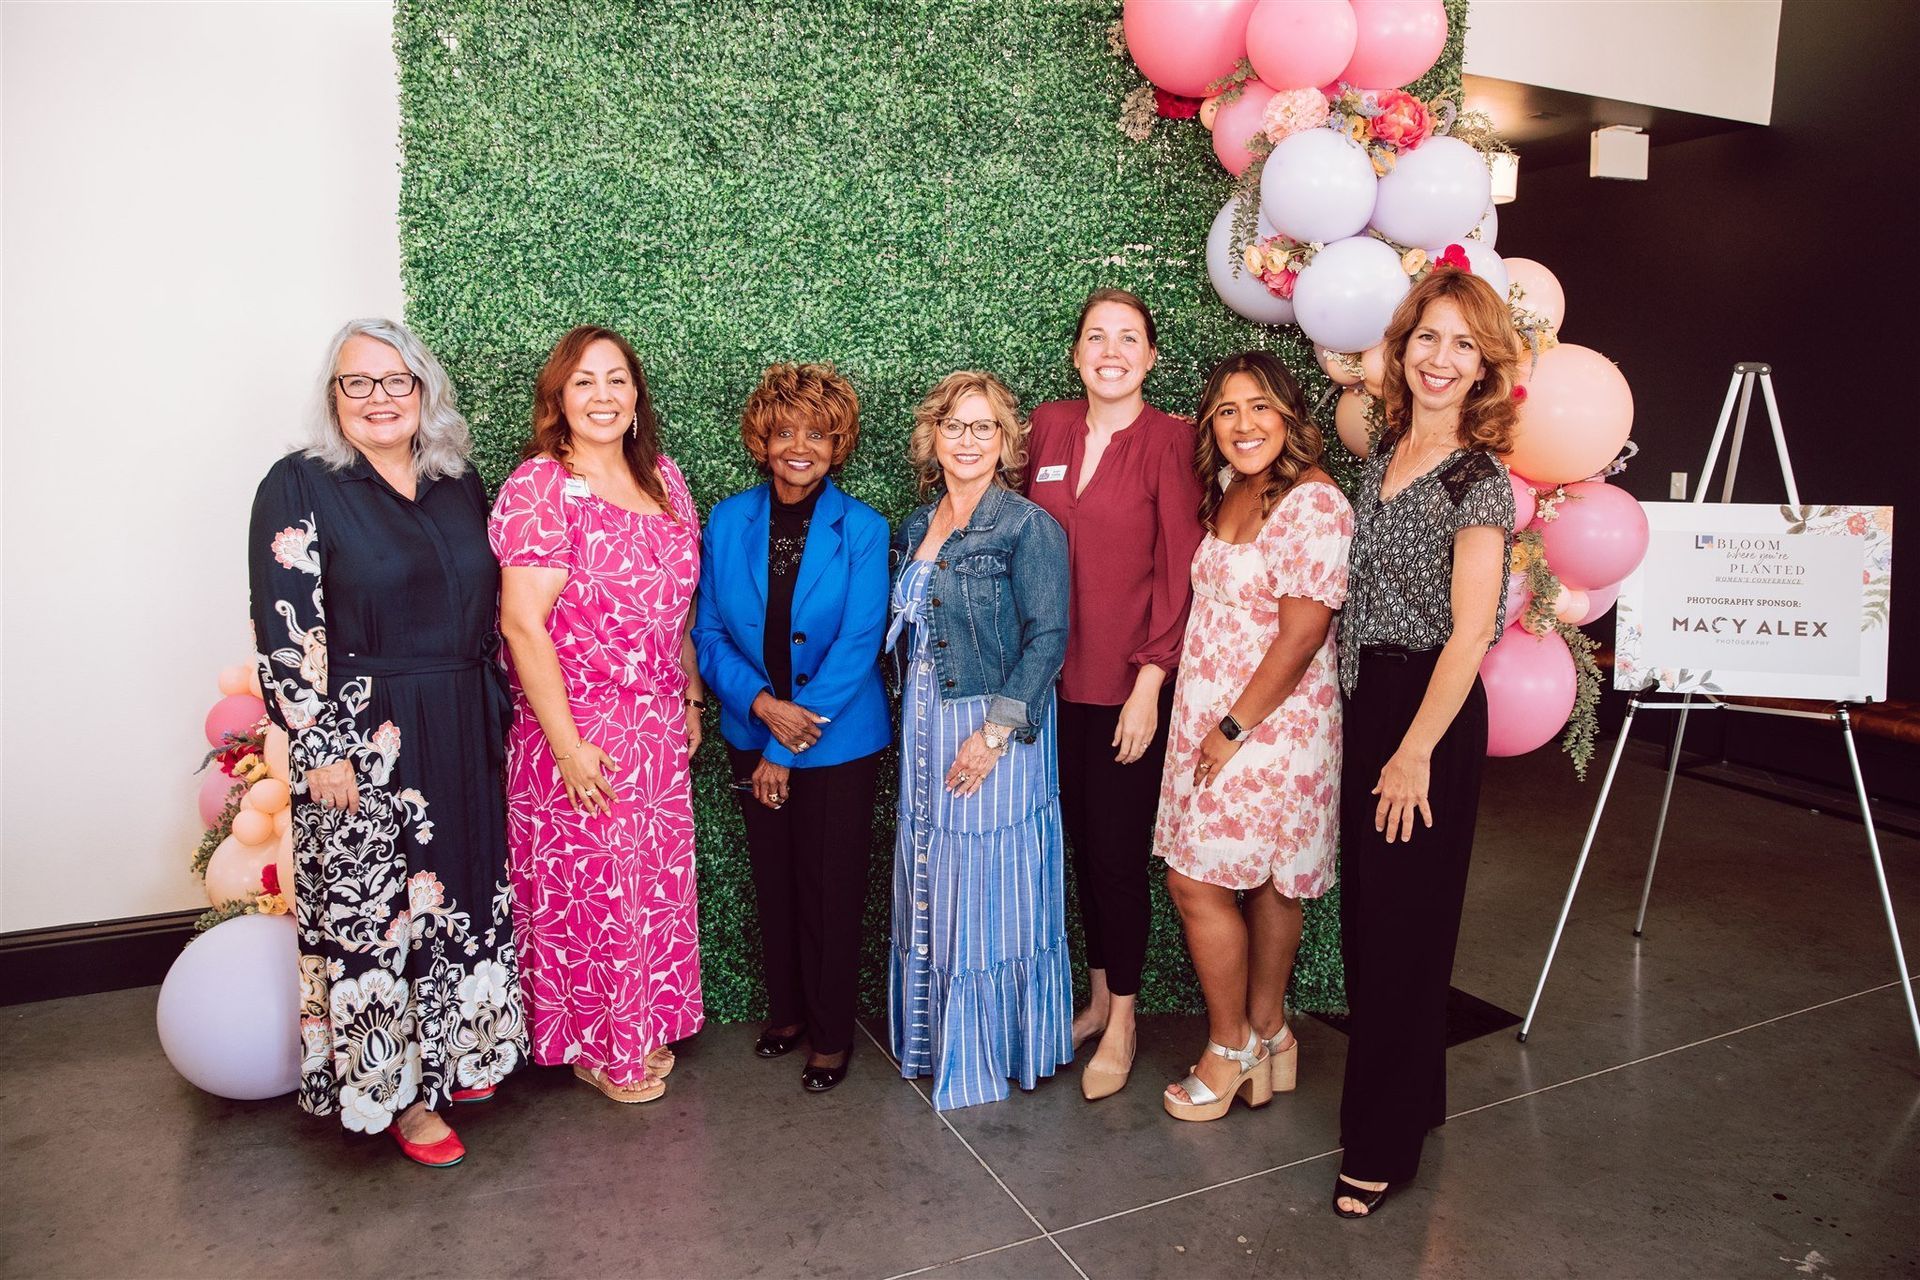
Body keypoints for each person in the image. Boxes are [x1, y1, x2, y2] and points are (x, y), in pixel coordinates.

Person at [249, 317, 527, 1168]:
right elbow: (286, 624)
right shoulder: (298, 485)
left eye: (395, 380)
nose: (378, 398)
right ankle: (402, 1099)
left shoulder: (457, 480)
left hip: (460, 715)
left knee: (461, 898)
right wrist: (318, 743)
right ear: (334, 399)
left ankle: (460, 1058)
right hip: (361, 737)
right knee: (380, 914)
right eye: (357, 383)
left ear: (424, 389)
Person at [1332, 269, 1520, 1217]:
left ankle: (1379, 1145)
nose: (1441, 359)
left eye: (1462, 344)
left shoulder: (1479, 481)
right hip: (1367, 699)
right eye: (1427, 339)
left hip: (1428, 715)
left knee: (1405, 934)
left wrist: (1412, 751)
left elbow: (1472, 632)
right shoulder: (1385, 448)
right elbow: (1352, 387)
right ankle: (1418, 1096)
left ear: (1486, 364)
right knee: (1370, 930)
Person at [490, 325, 705, 1105]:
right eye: (584, 382)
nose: (604, 396)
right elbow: (522, 624)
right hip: (578, 724)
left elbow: (678, 606)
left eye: (617, 380)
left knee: (650, 885)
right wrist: (568, 745)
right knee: (598, 892)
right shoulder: (539, 487)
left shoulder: (667, 482)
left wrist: (687, 691)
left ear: (638, 396)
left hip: (654, 723)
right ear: (558, 398)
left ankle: (642, 1025)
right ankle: (602, 1046)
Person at [1153, 352, 1353, 1122]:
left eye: (1261, 408)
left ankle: (1230, 1045)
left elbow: (1302, 635)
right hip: (1217, 715)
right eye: (1228, 410)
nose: (1244, 425)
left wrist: (1232, 728)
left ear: (1291, 416)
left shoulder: (1315, 504)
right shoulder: (1235, 488)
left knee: (1197, 881)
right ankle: (1270, 1034)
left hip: (1271, 724)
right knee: (1267, 881)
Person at [1024, 288, 1204, 1100]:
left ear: (1151, 357)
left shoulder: (1171, 441)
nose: (1112, 350)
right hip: (1047, 685)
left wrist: (1150, 682)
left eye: (1129, 338)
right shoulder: (1049, 427)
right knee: (1076, 854)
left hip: (1125, 689)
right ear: (1075, 353)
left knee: (1116, 859)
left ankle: (1125, 1020)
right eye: (1097, 336)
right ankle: (1098, 999)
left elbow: (1178, 573)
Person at [693, 363, 891, 1093]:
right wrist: (760, 708)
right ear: (761, 441)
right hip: (753, 731)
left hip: (838, 745)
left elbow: (858, 645)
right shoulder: (727, 520)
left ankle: (832, 1035)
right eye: (784, 432)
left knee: (829, 889)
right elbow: (708, 632)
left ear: (838, 445)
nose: (799, 446)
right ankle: (787, 1013)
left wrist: (783, 743)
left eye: (817, 433)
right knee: (772, 883)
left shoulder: (864, 529)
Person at [886, 370, 1073, 1110]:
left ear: (1006, 442)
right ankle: (933, 1041)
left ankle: (989, 1054)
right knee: (933, 877)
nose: (968, 440)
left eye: (983, 427)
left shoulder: (1028, 526)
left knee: (989, 889)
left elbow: (1049, 637)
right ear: (933, 437)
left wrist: (992, 735)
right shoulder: (914, 524)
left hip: (993, 728)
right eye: (955, 426)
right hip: (925, 726)